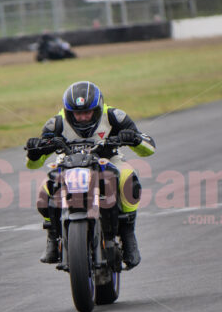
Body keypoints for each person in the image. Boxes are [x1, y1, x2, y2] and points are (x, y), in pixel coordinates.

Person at [25, 81, 156, 270]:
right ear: (69, 112)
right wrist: (35, 151)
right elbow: (33, 164)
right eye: (78, 113)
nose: (84, 117)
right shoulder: (56, 123)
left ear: (98, 108)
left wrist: (134, 138)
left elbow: (149, 148)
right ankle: (52, 237)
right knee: (45, 186)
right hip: (68, 163)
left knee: (128, 176)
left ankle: (128, 234)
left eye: (88, 112)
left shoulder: (114, 117)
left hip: (108, 159)